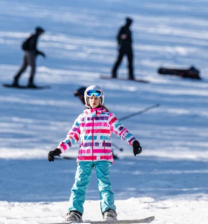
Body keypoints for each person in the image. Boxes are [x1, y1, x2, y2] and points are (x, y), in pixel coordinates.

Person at [48, 86, 142, 222]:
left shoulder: (108, 117)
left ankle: (109, 212)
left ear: (101, 99)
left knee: (104, 185)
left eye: (96, 98)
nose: (94, 101)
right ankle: (74, 212)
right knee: (79, 185)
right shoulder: (81, 118)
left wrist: (134, 142)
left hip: (103, 157)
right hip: (84, 158)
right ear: (87, 100)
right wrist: (58, 150)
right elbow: (71, 137)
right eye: (91, 98)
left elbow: (121, 130)